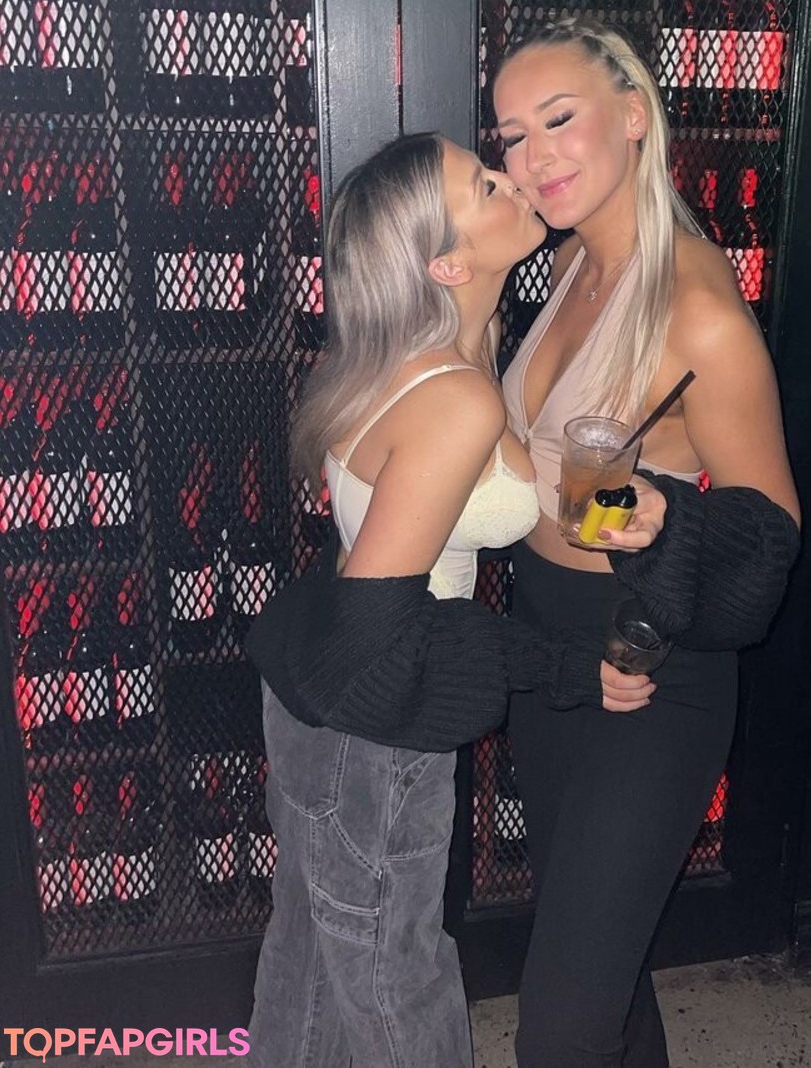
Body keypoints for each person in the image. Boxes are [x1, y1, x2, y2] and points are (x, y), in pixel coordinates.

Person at [244, 132, 661, 1068]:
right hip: (372, 731)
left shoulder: (429, 356)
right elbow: (379, 635)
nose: (513, 177)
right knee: (397, 979)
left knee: (311, 958)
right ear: (448, 262)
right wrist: (562, 668)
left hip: (317, 717)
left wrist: (619, 507)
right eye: (485, 184)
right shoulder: (456, 399)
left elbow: (456, 516)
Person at [491, 16, 802, 1067]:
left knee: (560, 1023)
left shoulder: (697, 311)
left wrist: (656, 526)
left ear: (633, 116)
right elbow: (548, 469)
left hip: (647, 670)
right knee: (599, 970)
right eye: (512, 135)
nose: (533, 156)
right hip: (546, 650)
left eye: (558, 120)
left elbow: (772, 533)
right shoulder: (571, 262)